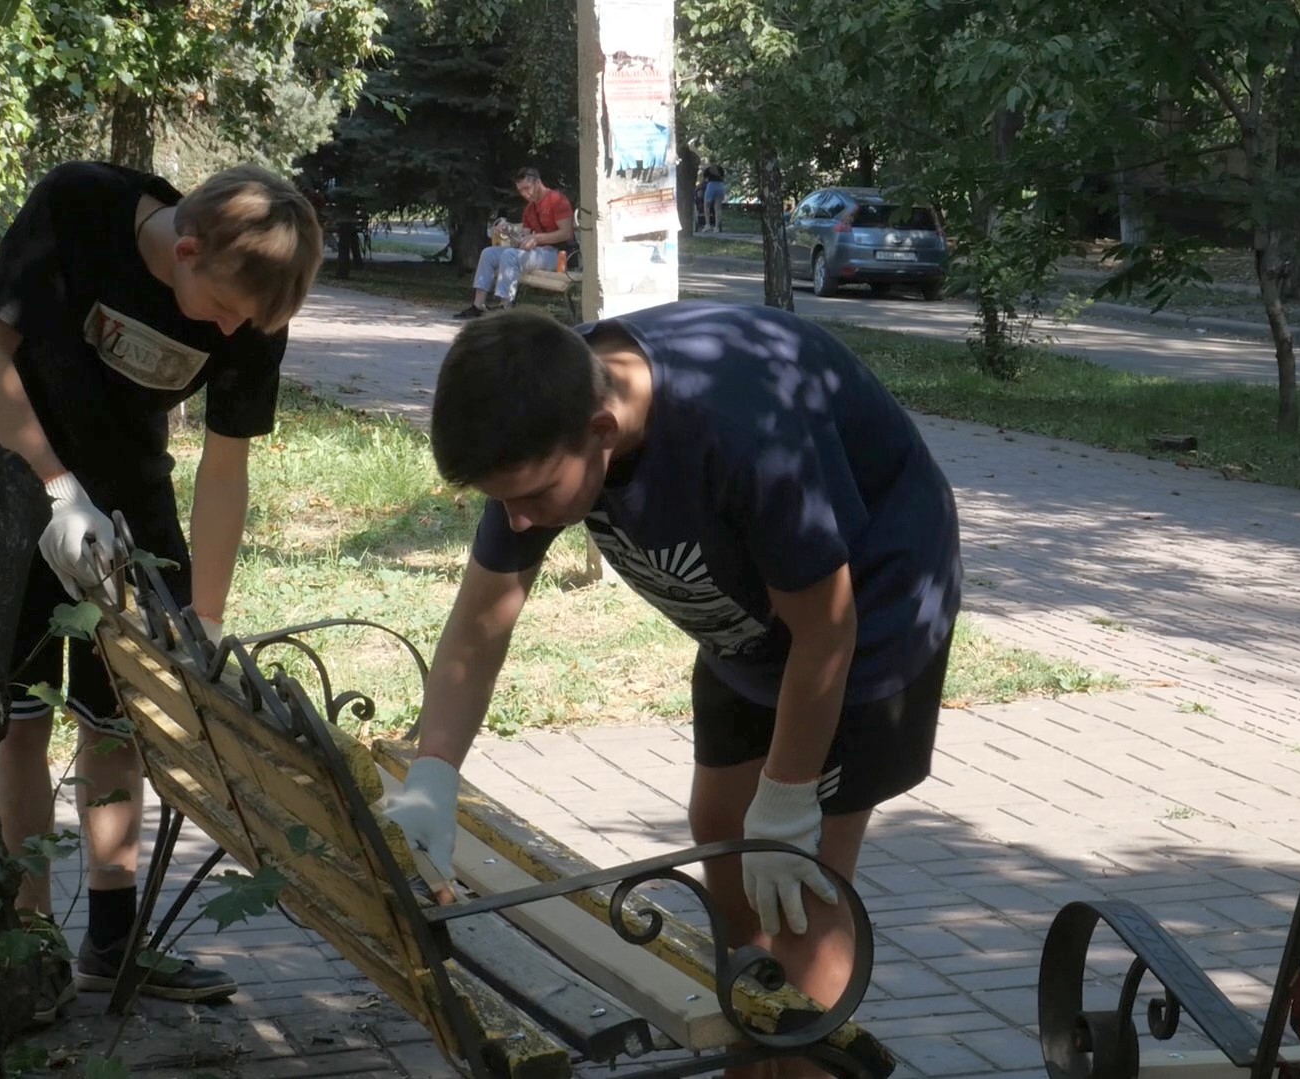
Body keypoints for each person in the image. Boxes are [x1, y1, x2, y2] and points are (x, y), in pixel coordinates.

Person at [384, 303, 962, 1059]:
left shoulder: (740, 431)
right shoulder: (538, 403)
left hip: (870, 615)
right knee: (720, 826)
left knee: (803, 883)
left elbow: (826, 629)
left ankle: (801, 1057)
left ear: (600, 430)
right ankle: (750, 1040)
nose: (517, 521)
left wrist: (788, 806)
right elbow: (481, 619)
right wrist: (434, 771)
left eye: (532, 495)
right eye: (501, 500)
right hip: (744, 615)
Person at [0, 160, 322, 1019]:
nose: (233, 332)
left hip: (132, 512)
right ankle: (32, 943)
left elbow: (224, 465)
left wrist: (203, 616)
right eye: (226, 312)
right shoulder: (78, 209)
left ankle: (113, 939)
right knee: (18, 725)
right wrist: (54, 485)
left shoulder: (254, 304)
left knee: (121, 719)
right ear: (186, 249)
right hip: (9, 489)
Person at [454, 167, 576, 319]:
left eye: (527, 188)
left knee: (509, 255)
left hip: (559, 255)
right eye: (521, 190)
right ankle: (477, 305)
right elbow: (521, 241)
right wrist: (509, 232)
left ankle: (506, 308)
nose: (525, 193)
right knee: (489, 253)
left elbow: (566, 233)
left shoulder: (557, 200)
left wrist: (537, 238)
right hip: (536, 254)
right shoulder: (529, 209)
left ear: (538, 183)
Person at [700, 163, 727, 233]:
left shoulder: (708, 169)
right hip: (720, 186)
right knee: (718, 207)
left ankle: (708, 224)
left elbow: (704, 179)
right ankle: (717, 227)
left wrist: (699, 186)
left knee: (706, 205)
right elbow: (723, 177)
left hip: (711, 186)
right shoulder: (720, 168)